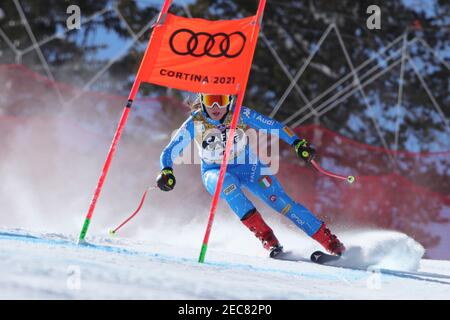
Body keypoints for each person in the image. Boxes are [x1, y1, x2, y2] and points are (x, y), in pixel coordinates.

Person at [157, 93, 345, 257]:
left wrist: (297, 142)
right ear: (202, 100)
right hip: (215, 172)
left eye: (221, 100)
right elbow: (169, 151)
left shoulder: (239, 113)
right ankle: (268, 239)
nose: (216, 107)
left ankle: (331, 243)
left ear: (229, 100)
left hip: (249, 166)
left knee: (281, 201)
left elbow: (274, 126)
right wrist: (166, 170)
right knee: (228, 184)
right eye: (210, 100)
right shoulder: (195, 123)